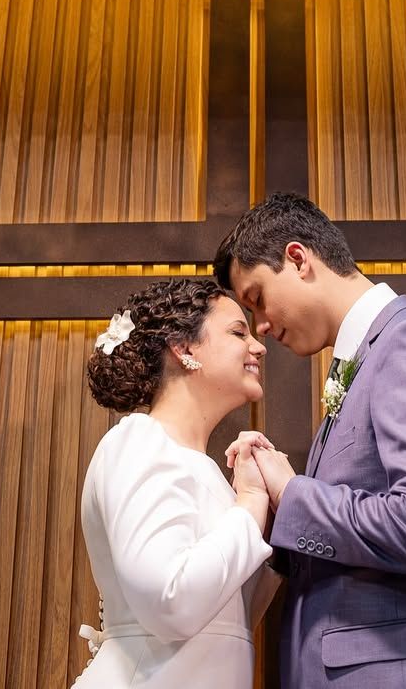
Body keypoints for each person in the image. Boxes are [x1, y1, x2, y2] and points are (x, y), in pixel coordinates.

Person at [214, 192, 406, 688]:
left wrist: (294, 493)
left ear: (298, 259)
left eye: (256, 298)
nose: (261, 326)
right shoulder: (362, 366)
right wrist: (273, 509)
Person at [73, 278, 281, 688]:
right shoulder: (138, 440)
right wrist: (253, 500)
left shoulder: (214, 479)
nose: (258, 345)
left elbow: (230, 617)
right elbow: (171, 603)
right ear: (184, 349)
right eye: (238, 332)